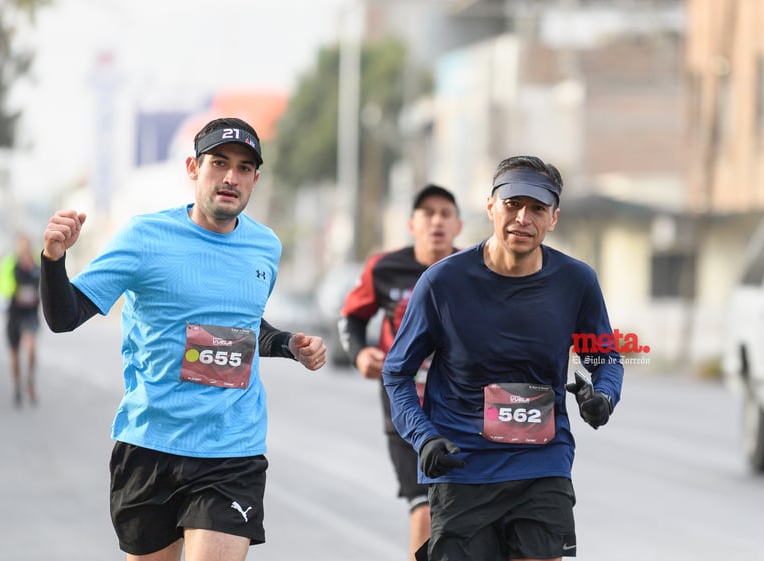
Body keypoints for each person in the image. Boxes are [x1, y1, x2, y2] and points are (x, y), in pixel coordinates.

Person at [39, 116, 327, 561]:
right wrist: (53, 260)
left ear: (255, 178)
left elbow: (241, 326)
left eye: (245, 168)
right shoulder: (144, 237)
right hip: (150, 445)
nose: (231, 177)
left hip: (231, 450)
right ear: (193, 168)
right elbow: (65, 316)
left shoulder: (266, 247)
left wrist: (288, 344)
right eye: (219, 163)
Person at [382, 156, 624, 561]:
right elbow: (397, 373)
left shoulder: (576, 282)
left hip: (542, 461)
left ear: (553, 218)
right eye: (513, 205)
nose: (523, 218)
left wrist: (603, 396)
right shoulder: (443, 283)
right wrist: (423, 437)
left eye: (537, 209)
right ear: (492, 207)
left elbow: (605, 359)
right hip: (463, 464)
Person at [339, 184, 463, 560]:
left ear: (458, 225)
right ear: (412, 223)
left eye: (446, 213)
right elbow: (351, 317)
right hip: (405, 410)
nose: (437, 221)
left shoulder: (472, 270)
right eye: (428, 213)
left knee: (460, 514)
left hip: (461, 407)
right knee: (424, 511)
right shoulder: (385, 267)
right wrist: (360, 354)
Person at [0, 233, 42, 407]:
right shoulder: (10, 265)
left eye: (27, 245)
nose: (25, 248)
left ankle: (30, 384)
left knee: (31, 348)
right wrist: (14, 289)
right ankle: (17, 387)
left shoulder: (37, 265)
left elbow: (45, 285)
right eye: (22, 245)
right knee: (14, 354)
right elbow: (2, 287)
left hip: (30, 314)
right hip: (14, 313)